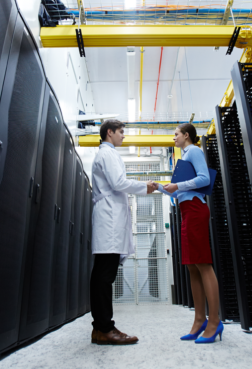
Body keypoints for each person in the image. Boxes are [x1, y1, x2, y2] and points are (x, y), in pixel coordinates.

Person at [154, 123, 223, 343]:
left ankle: (214, 322)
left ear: (186, 135)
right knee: (192, 267)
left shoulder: (194, 151)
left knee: (203, 264)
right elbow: (179, 193)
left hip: (196, 210)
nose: (173, 138)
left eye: (175, 134)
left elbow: (204, 179)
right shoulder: (183, 158)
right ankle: (199, 320)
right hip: (186, 211)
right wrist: (159, 187)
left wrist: (179, 185)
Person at [90, 119, 156, 345]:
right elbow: (118, 182)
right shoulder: (107, 154)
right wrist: (143, 187)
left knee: (103, 273)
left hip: (110, 219)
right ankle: (104, 328)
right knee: (104, 275)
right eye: (121, 132)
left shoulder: (107, 154)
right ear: (109, 132)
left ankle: (101, 327)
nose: (123, 136)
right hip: (108, 220)